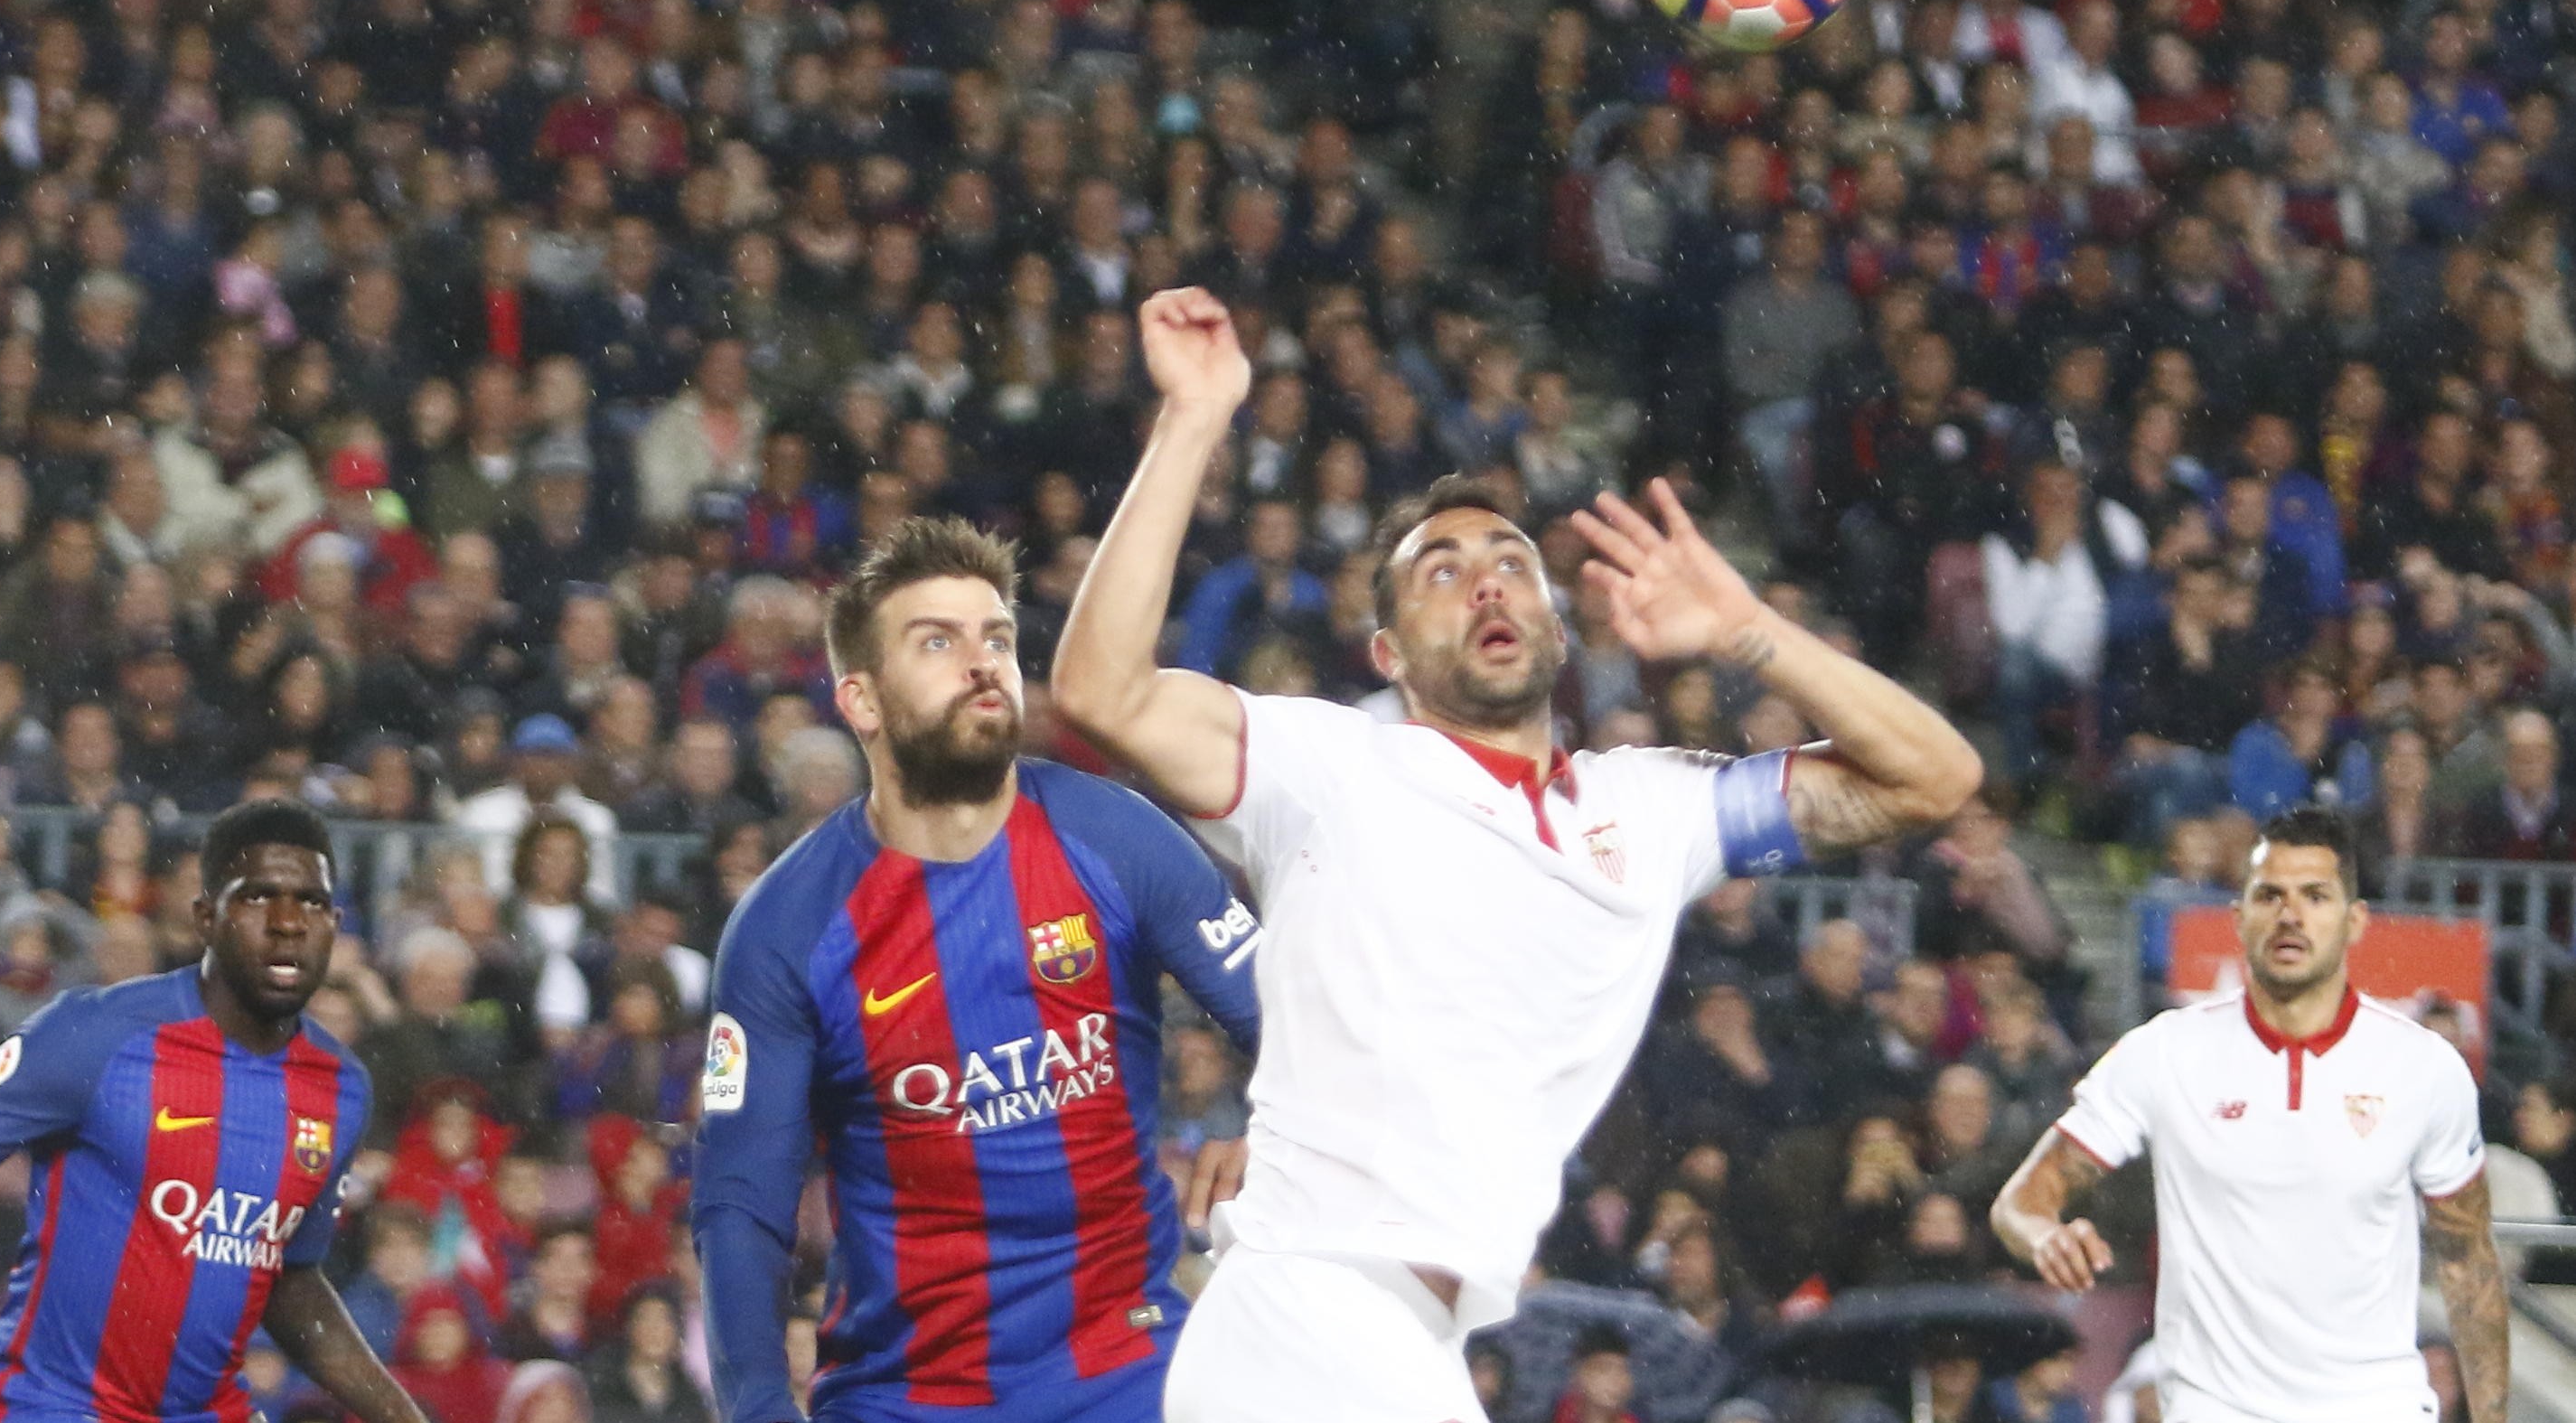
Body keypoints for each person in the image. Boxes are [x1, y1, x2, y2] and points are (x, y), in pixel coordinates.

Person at [1053, 285, 1980, 1423]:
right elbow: (1099, 689)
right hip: (1308, 1316)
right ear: (1387, 650)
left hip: (1411, 1338)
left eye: (1507, 559)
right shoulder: (1331, 767)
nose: (1485, 576)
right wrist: (1194, 418)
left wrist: (1752, 634)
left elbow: (1934, 777)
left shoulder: (1650, 808)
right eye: (1440, 570)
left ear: (1554, 621)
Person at [691, 517, 1263, 1423]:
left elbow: (1294, 1031)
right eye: (936, 640)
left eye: (995, 637)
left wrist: (1277, 1128)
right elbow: (740, 1205)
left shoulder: (1114, 837)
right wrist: (759, 1407)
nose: (981, 661)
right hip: (902, 1397)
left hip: (1127, 1372)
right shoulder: (786, 930)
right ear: (861, 700)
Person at [0, 799, 424, 1423]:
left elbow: (288, 1277)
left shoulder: (340, 1088)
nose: (289, 922)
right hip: (52, 1408)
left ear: (335, 923)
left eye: (311, 902)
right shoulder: (97, 1033)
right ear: (206, 917)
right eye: (258, 897)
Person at [1990, 805, 2508, 1423]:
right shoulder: (2165, 1052)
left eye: (2315, 896)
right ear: (2238, 919)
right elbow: (2019, 1203)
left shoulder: (2424, 1067)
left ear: (2356, 921)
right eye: (2270, 895)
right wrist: (2046, 1234)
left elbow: (2468, 1262)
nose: (2290, 914)